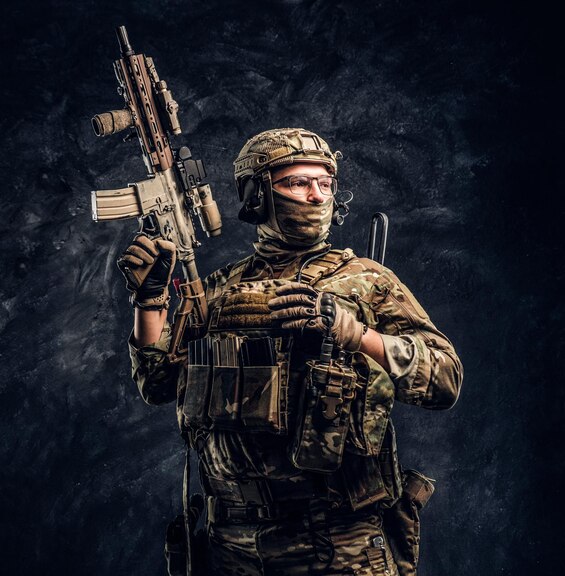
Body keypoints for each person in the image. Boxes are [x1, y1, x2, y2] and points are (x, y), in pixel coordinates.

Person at [118, 128, 463, 575]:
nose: (317, 196)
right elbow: (158, 384)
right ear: (257, 194)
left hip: (336, 541)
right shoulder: (219, 289)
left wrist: (355, 334)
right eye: (298, 182)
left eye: (326, 183)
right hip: (233, 543)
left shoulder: (367, 280)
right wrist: (150, 302)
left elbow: (445, 380)